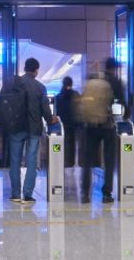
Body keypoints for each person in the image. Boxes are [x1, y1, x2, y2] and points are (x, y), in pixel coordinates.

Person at [8, 58, 58, 205]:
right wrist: (51, 119)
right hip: (33, 129)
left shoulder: (14, 84)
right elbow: (45, 110)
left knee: (15, 161)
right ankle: (27, 195)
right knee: (31, 161)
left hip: (16, 128)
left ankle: (15, 194)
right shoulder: (40, 87)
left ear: (25, 68)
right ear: (36, 70)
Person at [80, 68, 116, 204]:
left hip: (90, 127)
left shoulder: (88, 86)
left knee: (87, 161)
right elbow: (111, 103)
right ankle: (107, 194)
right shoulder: (107, 85)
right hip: (107, 127)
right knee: (109, 161)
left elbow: (82, 105)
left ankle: (85, 194)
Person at [54, 76, 79, 167]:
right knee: (72, 143)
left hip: (62, 124)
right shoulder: (76, 95)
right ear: (71, 84)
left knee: (61, 142)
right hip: (73, 124)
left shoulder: (58, 96)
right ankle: (71, 162)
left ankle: (62, 160)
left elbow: (56, 111)